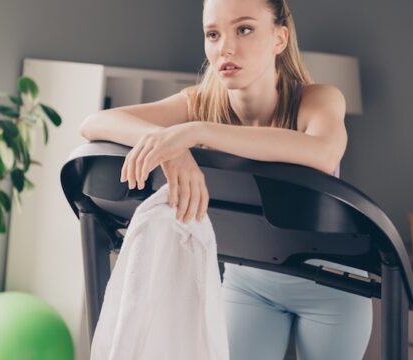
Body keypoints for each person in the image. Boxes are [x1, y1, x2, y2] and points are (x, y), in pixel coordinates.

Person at [79, 0, 372, 358]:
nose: (225, 48)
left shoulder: (317, 99)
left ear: (280, 38)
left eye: (244, 29)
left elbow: (323, 153)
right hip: (248, 284)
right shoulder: (200, 102)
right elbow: (95, 123)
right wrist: (175, 152)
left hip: (330, 288)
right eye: (213, 34)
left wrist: (195, 132)